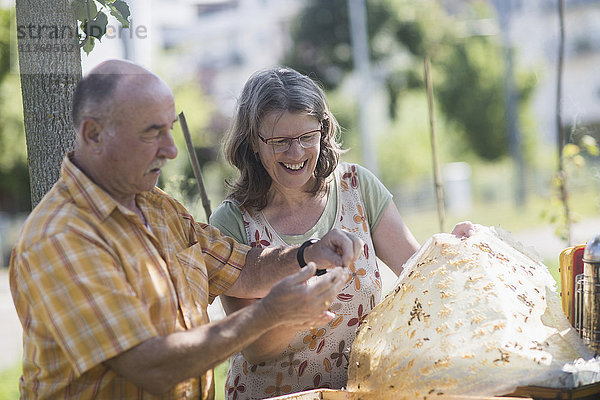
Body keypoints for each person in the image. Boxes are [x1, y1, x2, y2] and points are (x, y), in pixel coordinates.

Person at [8, 59, 365, 399]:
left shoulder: (156, 205)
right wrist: (268, 314)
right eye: (152, 134)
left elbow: (242, 268)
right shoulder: (61, 238)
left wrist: (309, 252)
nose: (171, 149)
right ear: (94, 134)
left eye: (170, 130)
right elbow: (151, 366)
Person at [210, 66, 474, 399]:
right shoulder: (232, 221)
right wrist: (303, 309)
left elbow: (416, 274)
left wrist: (453, 251)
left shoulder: (357, 187)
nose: (297, 153)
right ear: (253, 143)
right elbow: (256, 349)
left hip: (357, 392)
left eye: (308, 137)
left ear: (323, 130)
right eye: (280, 142)